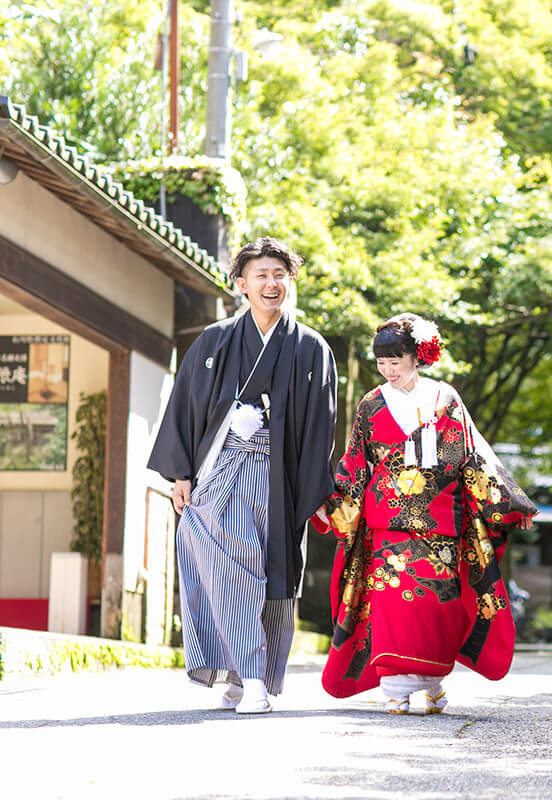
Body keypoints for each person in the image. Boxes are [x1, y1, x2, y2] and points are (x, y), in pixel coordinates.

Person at [148, 237, 337, 714]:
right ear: (242, 284)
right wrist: (181, 474)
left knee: (270, 577)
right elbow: (185, 407)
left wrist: (312, 493)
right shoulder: (215, 340)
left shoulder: (311, 347)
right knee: (227, 570)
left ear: (289, 281)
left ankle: (246, 673)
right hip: (221, 471)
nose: (271, 284)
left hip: (279, 482)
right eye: (261, 275)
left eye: (279, 275)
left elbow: (320, 426)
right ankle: (251, 677)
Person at [311, 313, 536, 714]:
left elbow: (471, 459)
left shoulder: (445, 399)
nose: (388, 370)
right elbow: (355, 464)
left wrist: (509, 502)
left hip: (439, 526)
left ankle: (432, 680)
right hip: (388, 526)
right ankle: (396, 685)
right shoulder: (370, 404)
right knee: (394, 608)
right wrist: (331, 504)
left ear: (417, 356)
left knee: (436, 611)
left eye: (395, 361)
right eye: (381, 363)